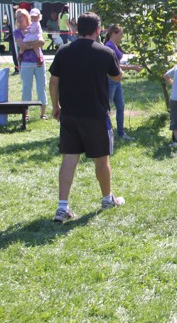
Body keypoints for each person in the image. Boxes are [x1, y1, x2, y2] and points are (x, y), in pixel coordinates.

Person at [48, 12, 124, 222]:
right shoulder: (105, 51)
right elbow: (117, 76)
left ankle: (62, 207)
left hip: (70, 113)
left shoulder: (63, 51)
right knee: (102, 159)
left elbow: (53, 81)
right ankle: (107, 199)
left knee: (69, 159)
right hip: (96, 114)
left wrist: (55, 106)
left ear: (76, 29)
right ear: (98, 30)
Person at [104, 24, 143, 140]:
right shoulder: (109, 46)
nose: (121, 37)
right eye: (120, 35)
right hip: (110, 80)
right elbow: (115, 66)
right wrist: (133, 67)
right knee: (106, 107)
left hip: (117, 80)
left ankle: (121, 132)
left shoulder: (115, 45)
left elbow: (118, 63)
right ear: (113, 33)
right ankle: (105, 131)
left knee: (120, 106)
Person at [14, 9, 48, 120]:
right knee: (26, 88)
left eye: (20, 16)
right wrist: (34, 45)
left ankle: (43, 113)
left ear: (26, 17)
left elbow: (42, 42)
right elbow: (21, 45)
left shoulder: (35, 25)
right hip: (26, 63)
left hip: (39, 62)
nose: (18, 19)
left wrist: (28, 45)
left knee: (41, 87)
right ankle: (26, 114)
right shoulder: (17, 32)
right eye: (17, 17)